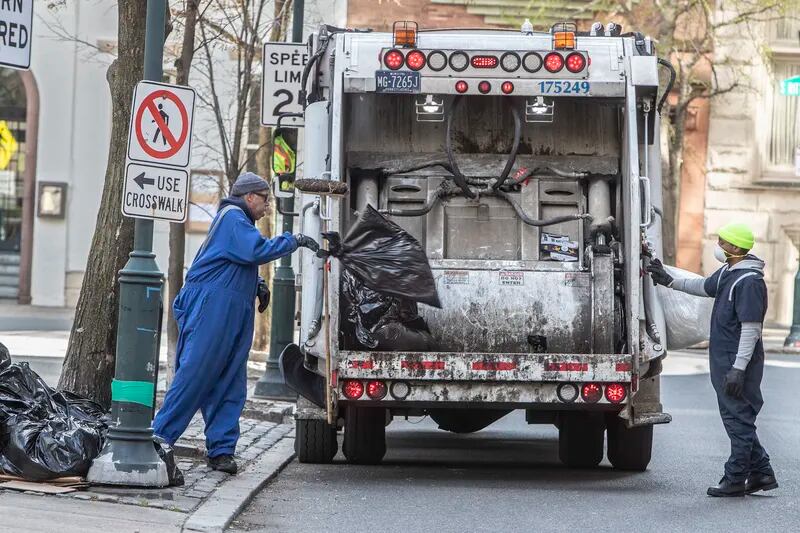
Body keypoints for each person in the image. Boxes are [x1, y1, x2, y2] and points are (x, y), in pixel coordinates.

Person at [153, 172, 320, 474]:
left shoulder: (237, 223)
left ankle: (221, 451)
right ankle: (158, 440)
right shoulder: (232, 217)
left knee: (229, 381)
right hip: (213, 309)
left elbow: (231, 261)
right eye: (265, 200)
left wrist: (256, 283)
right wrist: (294, 240)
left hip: (228, 309)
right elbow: (255, 250)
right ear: (249, 197)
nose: (268, 207)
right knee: (196, 375)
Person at [647, 222, 777, 497]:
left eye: (723, 242)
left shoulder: (749, 282)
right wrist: (668, 279)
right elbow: (702, 286)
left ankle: (735, 478)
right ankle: (762, 473)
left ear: (736, 247)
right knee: (736, 417)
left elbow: (751, 329)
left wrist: (739, 369)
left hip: (736, 363)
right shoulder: (730, 272)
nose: (718, 246)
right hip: (725, 360)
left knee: (738, 419)